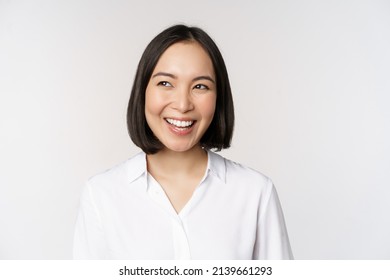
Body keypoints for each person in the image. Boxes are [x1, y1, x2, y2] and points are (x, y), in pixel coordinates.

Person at [73, 24, 293, 259]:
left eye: (200, 86)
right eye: (165, 83)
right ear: (143, 91)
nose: (182, 104)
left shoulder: (256, 193)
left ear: (218, 98)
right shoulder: (101, 195)